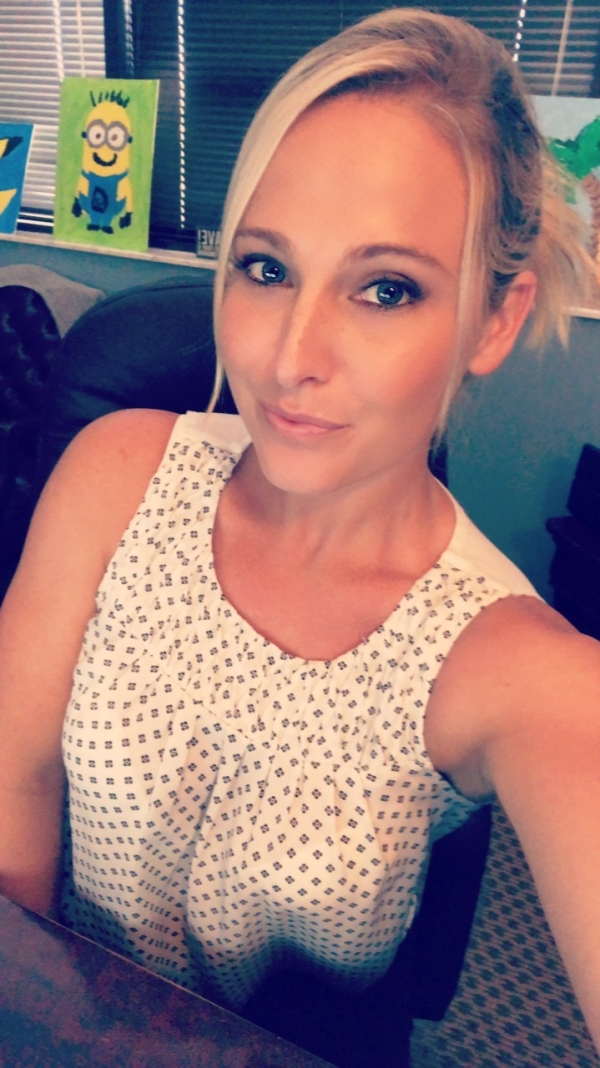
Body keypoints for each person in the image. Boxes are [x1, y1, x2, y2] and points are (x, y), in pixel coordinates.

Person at [0, 8, 598, 1068]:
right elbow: (15, 779)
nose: (290, 356)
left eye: (385, 288)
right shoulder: (114, 475)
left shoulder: (509, 661)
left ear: (495, 319)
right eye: (267, 268)